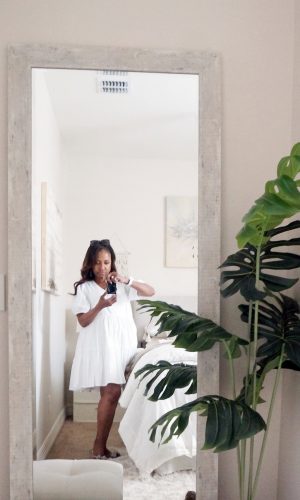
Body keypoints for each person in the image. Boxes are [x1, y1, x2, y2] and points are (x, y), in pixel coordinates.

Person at [69, 239, 155, 459]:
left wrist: (128, 279)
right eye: (97, 263)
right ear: (90, 264)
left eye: (106, 262)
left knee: (109, 394)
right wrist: (100, 305)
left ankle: (101, 447)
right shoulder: (84, 288)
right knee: (112, 392)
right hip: (102, 347)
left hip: (123, 346)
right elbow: (83, 321)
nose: (102, 267)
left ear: (112, 263)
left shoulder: (123, 284)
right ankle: (99, 447)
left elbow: (150, 291)